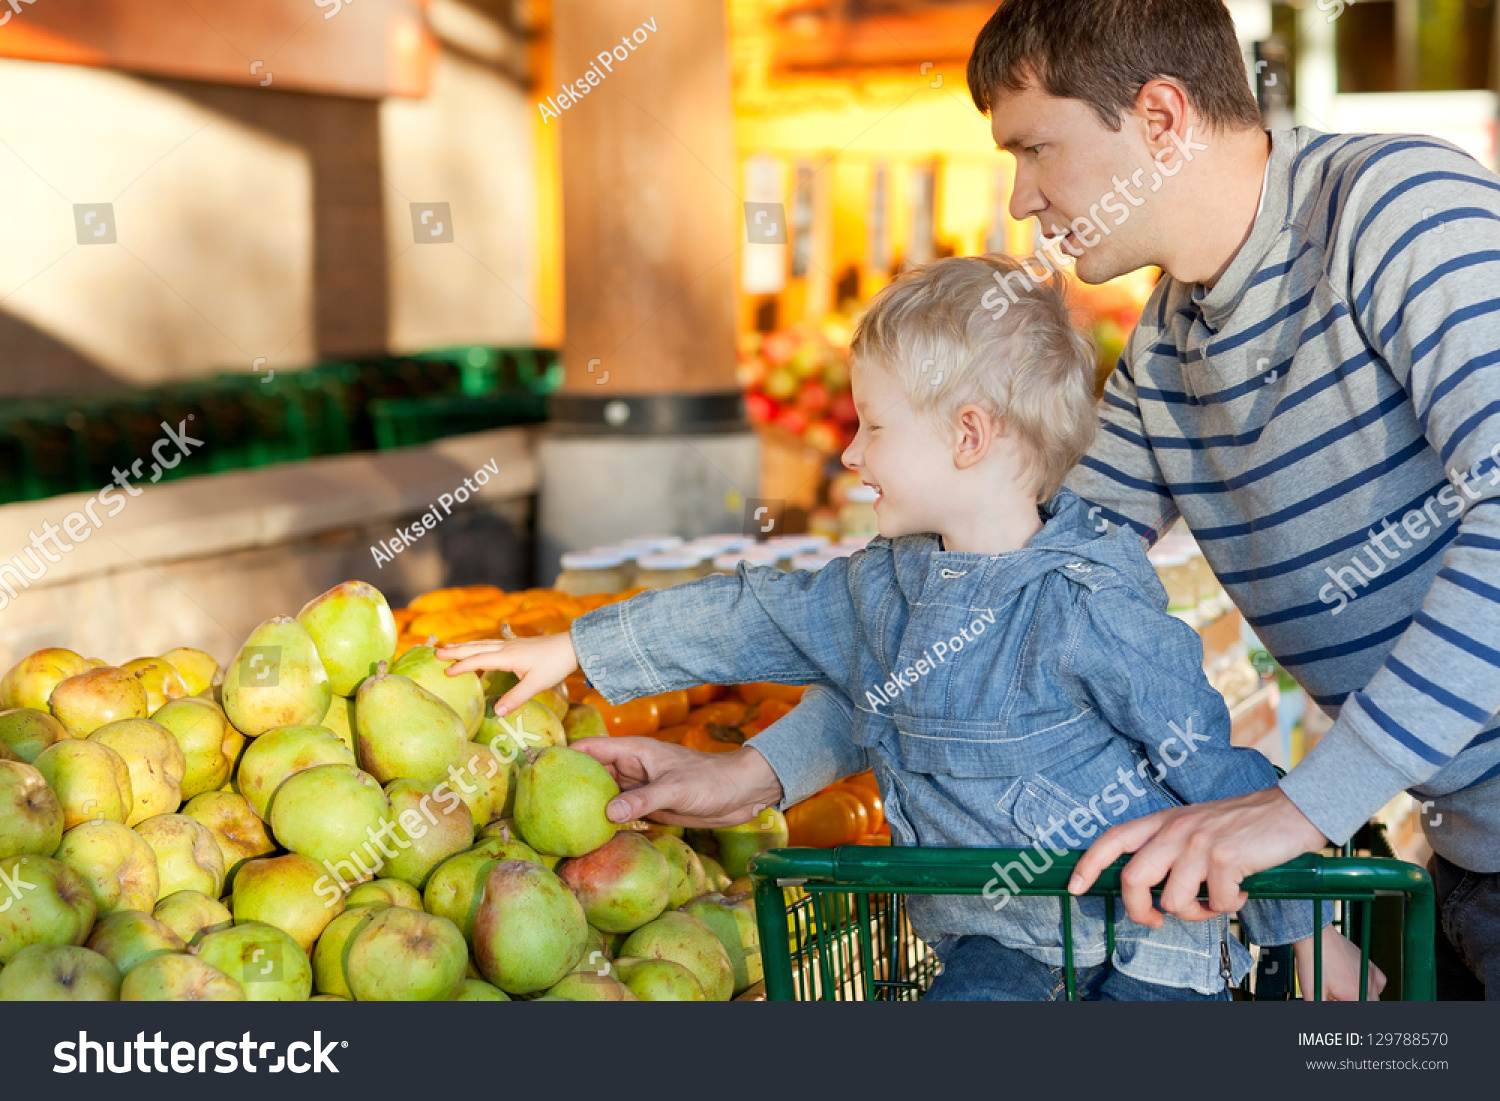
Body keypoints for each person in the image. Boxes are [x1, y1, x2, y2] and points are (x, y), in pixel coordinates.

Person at [442, 254, 1377, 1001]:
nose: (847, 454)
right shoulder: (881, 589)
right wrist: (580, 646)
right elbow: (751, 609)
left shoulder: (1087, 601)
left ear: (968, 436)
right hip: (991, 937)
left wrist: (1306, 941)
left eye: (873, 427)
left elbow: (1211, 770)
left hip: (1152, 940)